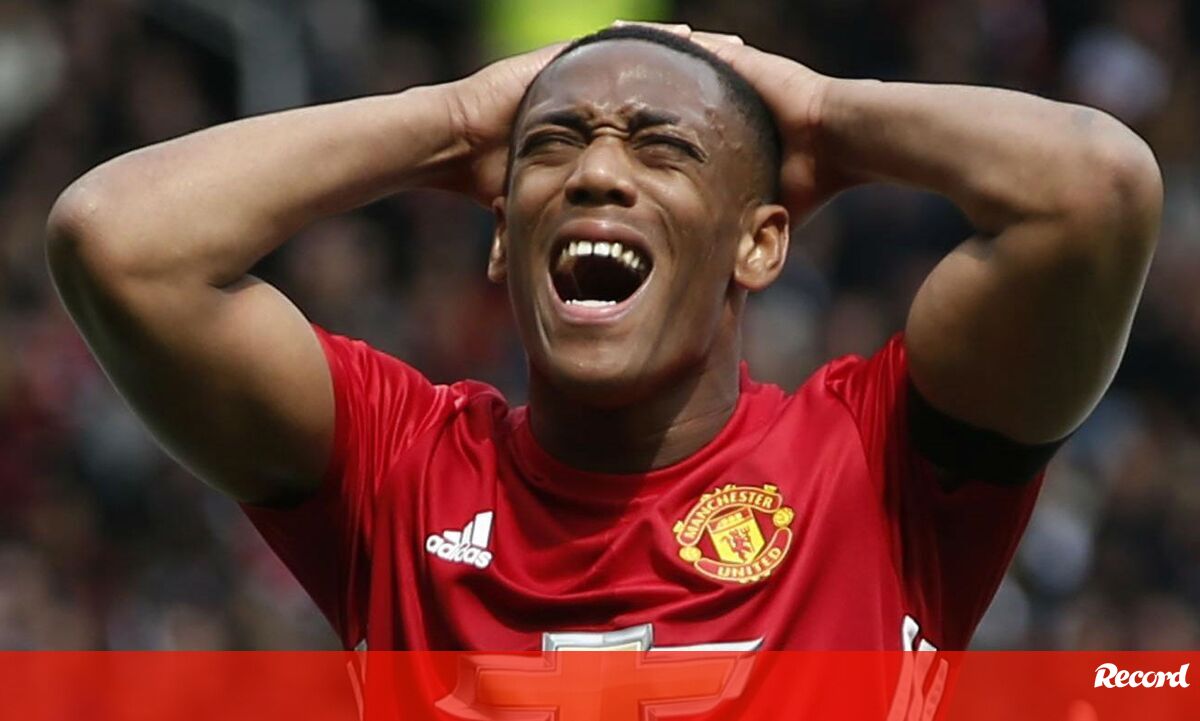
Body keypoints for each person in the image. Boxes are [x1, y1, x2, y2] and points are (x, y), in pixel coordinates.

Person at [45, 23, 1161, 653]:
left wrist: (819, 113)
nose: (596, 173)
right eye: (555, 143)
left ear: (759, 243)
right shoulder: (397, 470)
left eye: (664, 147)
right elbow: (115, 238)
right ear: (500, 239)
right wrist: (457, 117)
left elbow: (1096, 188)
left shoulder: (878, 467)